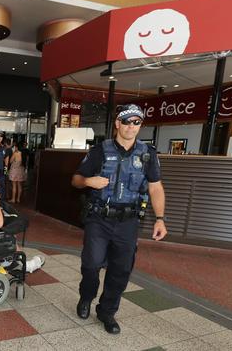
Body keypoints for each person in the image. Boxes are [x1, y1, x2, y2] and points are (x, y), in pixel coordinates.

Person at [71, 104, 167, 334]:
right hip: (99, 218)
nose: (131, 127)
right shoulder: (99, 151)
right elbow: (75, 179)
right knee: (91, 265)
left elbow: (156, 188)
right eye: (126, 121)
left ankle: (107, 312)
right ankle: (86, 298)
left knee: (121, 270)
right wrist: (88, 182)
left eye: (136, 122)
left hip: (128, 221)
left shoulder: (147, 154)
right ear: (117, 124)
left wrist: (160, 219)